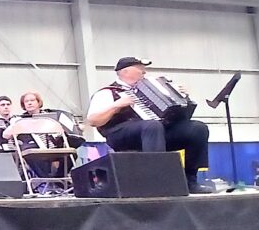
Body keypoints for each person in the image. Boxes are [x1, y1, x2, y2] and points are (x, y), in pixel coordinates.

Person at [86, 57, 212, 194]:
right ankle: (156, 182)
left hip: (154, 132)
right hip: (120, 133)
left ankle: (190, 181)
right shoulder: (107, 92)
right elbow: (93, 121)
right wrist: (116, 105)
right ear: (125, 71)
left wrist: (181, 97)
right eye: (140, 69)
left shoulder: (150, 89)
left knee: (197, 128)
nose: (144, 72)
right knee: (152, 125)